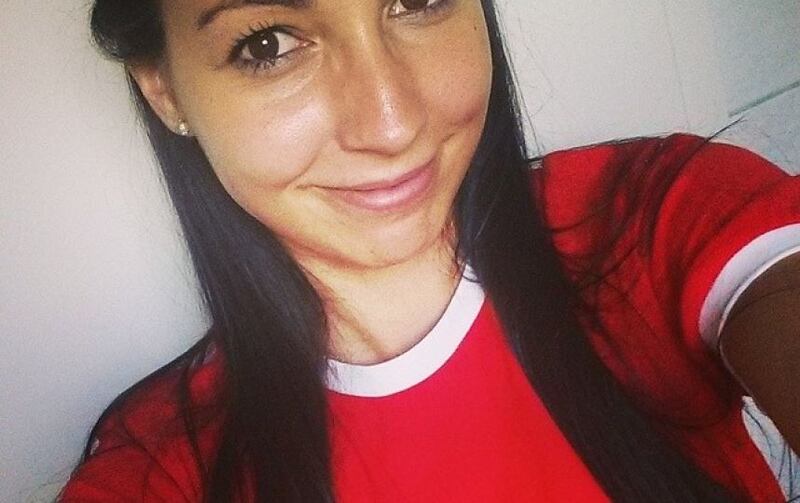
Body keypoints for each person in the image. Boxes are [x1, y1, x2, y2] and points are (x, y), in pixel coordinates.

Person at [60, 0, 800, 501]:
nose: (392, 123)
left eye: (417, 0)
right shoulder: (166, 467)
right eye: (268, 44)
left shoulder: (652, 216)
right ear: (166, 91)